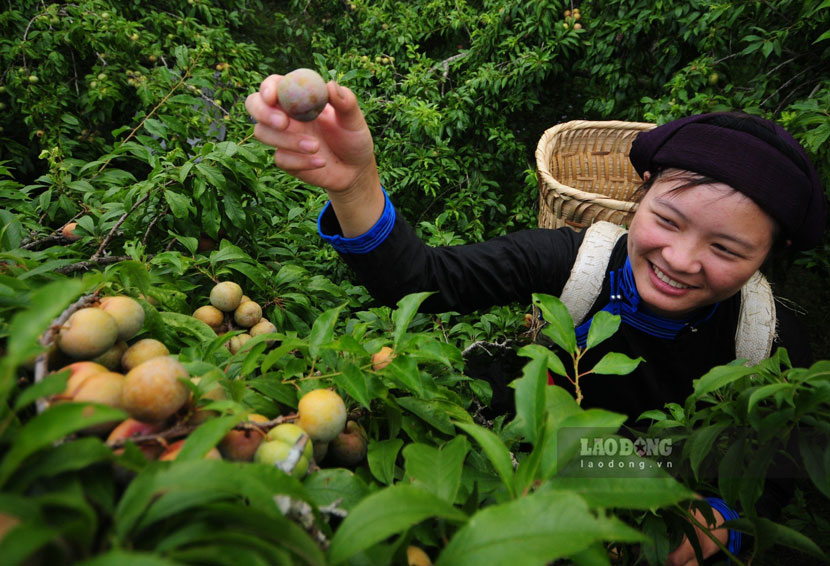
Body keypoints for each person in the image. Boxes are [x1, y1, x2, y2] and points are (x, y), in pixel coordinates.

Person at [245, 75, 827, 565]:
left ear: (766, 257)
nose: (680, 260)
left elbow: (778, 466)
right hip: (519, 451)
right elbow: (425, 280)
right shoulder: (580, 261)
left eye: (726, 250)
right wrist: (355, 185)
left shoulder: (770, 340)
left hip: (653, 491)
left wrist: (723, 520)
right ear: (640, 195)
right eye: (668, 221)